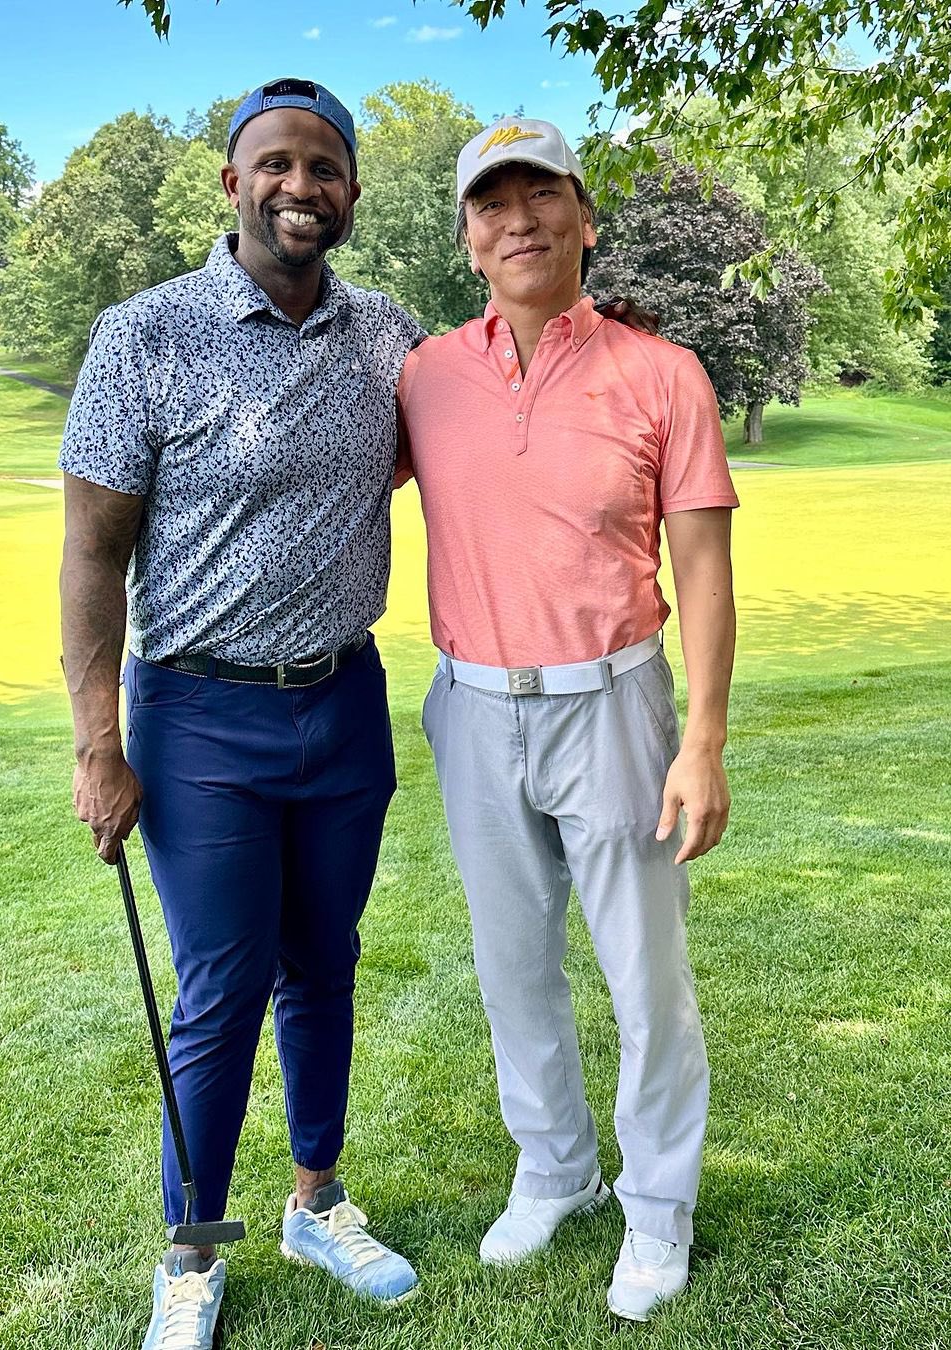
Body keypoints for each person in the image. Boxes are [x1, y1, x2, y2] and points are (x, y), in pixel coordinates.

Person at [59, 79, 425, 1350]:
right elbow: (93, 557)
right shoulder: (142, 337)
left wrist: (609, 335)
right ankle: (194, 1250)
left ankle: (315, 1202)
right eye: (274, 164)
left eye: (324, 168)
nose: (299, 187)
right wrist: (98, 745)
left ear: (353, 192)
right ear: (232, 183)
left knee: (324, 967)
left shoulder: (388, 333)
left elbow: (490, 414)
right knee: (218, 990)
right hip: (200, 716)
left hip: (344, 701)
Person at [397, 117, 739, 1321]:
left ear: (586, 218)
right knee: (513, 971)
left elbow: (702, 568)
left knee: (645, 981)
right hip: (474, 709)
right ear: (468, 241)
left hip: (616, 706)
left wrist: (701, 741)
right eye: (492, 204)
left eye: (542, 194)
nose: (519, 219)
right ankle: (555, 1171)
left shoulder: (662, 372)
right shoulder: (425, 373)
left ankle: (657, 1212)